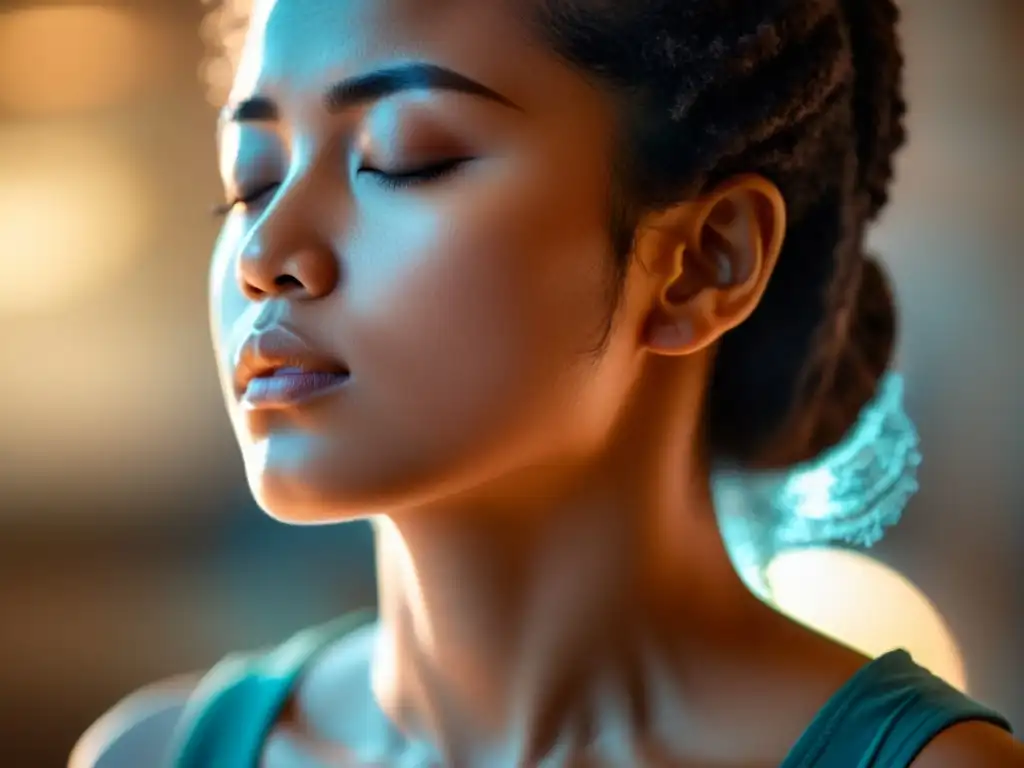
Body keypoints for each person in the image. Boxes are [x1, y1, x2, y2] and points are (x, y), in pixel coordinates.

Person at [71, 0, 1022, 765]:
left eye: (405, 158)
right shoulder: (155, 756)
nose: (268, 253)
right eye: (252, 178)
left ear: (703, 262)